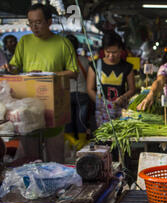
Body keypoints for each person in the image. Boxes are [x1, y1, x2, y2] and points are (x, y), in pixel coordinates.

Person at [2, 3, 78, 164]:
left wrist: (49, 75)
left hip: (53, 108)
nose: (34, 27)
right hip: (28, 110)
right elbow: (16, 66)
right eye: (30, 22)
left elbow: (73, 72)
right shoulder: (24, 41)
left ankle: (58, 187)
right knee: (30, 159)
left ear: (49, 22)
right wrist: (10, 67)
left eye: (38, 22)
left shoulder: (63, 43)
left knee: (55, 157)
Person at [86, 31, 135, 128]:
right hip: (101, 112)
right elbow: (89, 89)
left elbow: (132, 89)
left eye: (115, 52)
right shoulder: (95, 66)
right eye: (108, 52)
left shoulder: (127, 67)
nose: (111, 56)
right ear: (103, 50)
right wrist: (101, 102)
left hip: (120, 111)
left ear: (121, 50)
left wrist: (123, 98)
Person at [64, 34, 90, 148]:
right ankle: (82, 144)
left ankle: (71, 144)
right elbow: (89, 78)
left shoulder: (62, 62)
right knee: (81, 120)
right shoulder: (84, 60)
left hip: (66, 94)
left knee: (68, 120)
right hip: (83, 94)